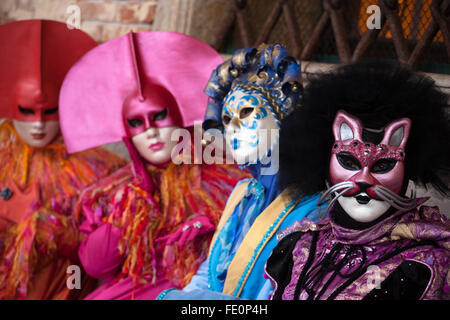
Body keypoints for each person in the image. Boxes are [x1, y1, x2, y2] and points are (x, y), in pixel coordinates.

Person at [58, 31, 247, 300]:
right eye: (136, 123)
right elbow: (95, 264)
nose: (150, 131)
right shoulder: (115, 192)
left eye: (159, 117)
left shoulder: (223, 181)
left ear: (179, 119)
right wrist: (135, 202)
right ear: (127, 133)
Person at [265, 62, 450, 300]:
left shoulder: (420, 265)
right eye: (349, 162)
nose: (363, 179)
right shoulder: (298, 245)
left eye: (383, 166)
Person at [159, 44, 324, 300]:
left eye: (246, 113)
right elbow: (207, 275)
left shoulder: (315, 209)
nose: (233, 127)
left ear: (282, 118)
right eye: (226, 120)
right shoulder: (243, 192)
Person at [0, 19, 126, 300]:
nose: (38, 125)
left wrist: (52, 230)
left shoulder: (97, 172)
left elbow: (98, 254)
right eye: (26, 111)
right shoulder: (3, 162)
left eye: (49, 112)